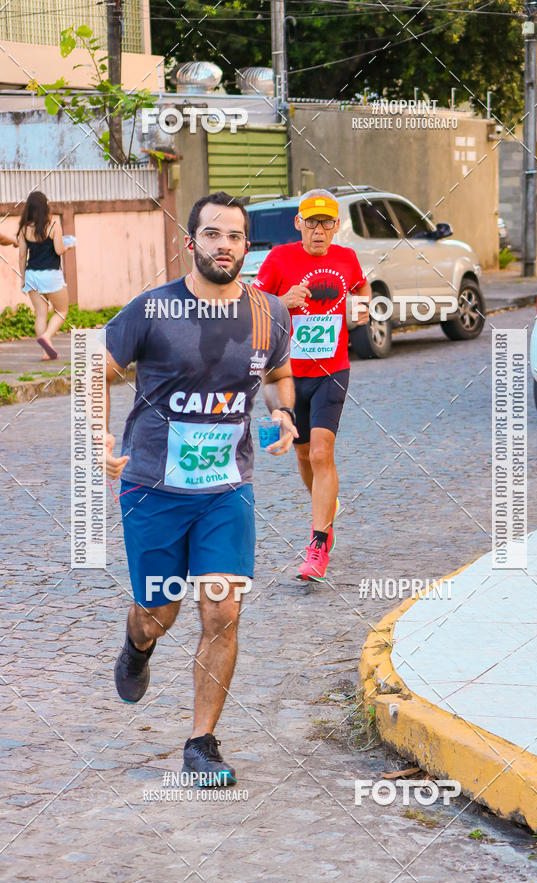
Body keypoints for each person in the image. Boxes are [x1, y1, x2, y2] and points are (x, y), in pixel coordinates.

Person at [103, 192, 296, 785]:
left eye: (234, 236)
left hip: (226, 488)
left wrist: (283, 412)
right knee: (160, 612)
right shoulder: (152, 310)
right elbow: (94, 367)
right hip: (153, 487)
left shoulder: (269, 313)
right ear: (192, 243)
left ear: (246, 246)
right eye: (212, 234)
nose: (223, 245)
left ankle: (200, 743)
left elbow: (279, 372)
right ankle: (138, 644)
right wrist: (96, 433)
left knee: (222, 609)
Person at [253, 189, 371, 582]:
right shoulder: (279, 258)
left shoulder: (347, 258)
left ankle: (318, 543)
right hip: (288, 374)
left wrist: (361, 308)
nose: (318, 231)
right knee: (303, 456)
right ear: (298, 223)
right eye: (311, 222)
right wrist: (283, 300)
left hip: (332, 370)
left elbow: (362, 288)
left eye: (326, 223)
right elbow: (253, 304)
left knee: (322, 452)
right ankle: (326, 506)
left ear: (337, 226)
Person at [17, 191, 74, 361]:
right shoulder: (53, 225)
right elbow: (59, 250)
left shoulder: (24, 228)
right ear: (45, 206)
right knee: (62, 310)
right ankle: (47, 337)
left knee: (40, 314)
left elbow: (22, 256)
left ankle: (45, 352)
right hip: (51, 275)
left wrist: (22, 278)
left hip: (31, 275)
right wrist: (69, 246)